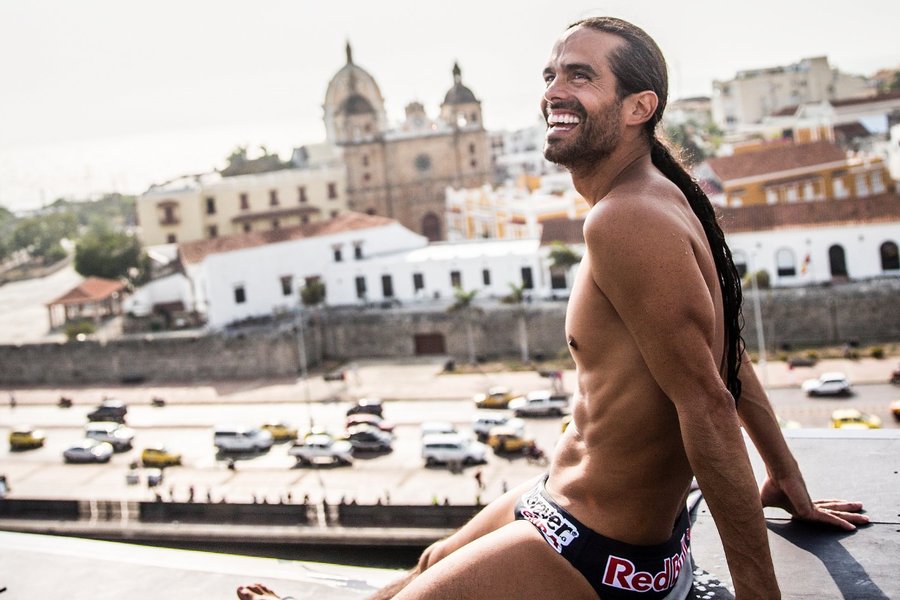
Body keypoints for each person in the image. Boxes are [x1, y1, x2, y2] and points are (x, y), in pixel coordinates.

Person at [237, 16, 867, 600]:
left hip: (602, 551)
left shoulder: (626, 219)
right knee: (431, 560)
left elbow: (707, 400)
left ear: (638, 108)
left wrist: (761, 593)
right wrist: (785, 478)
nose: (554, 91)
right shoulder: (654, 196)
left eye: (581, 76)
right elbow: (728, 357)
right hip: (557, 502)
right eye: (551, 75)